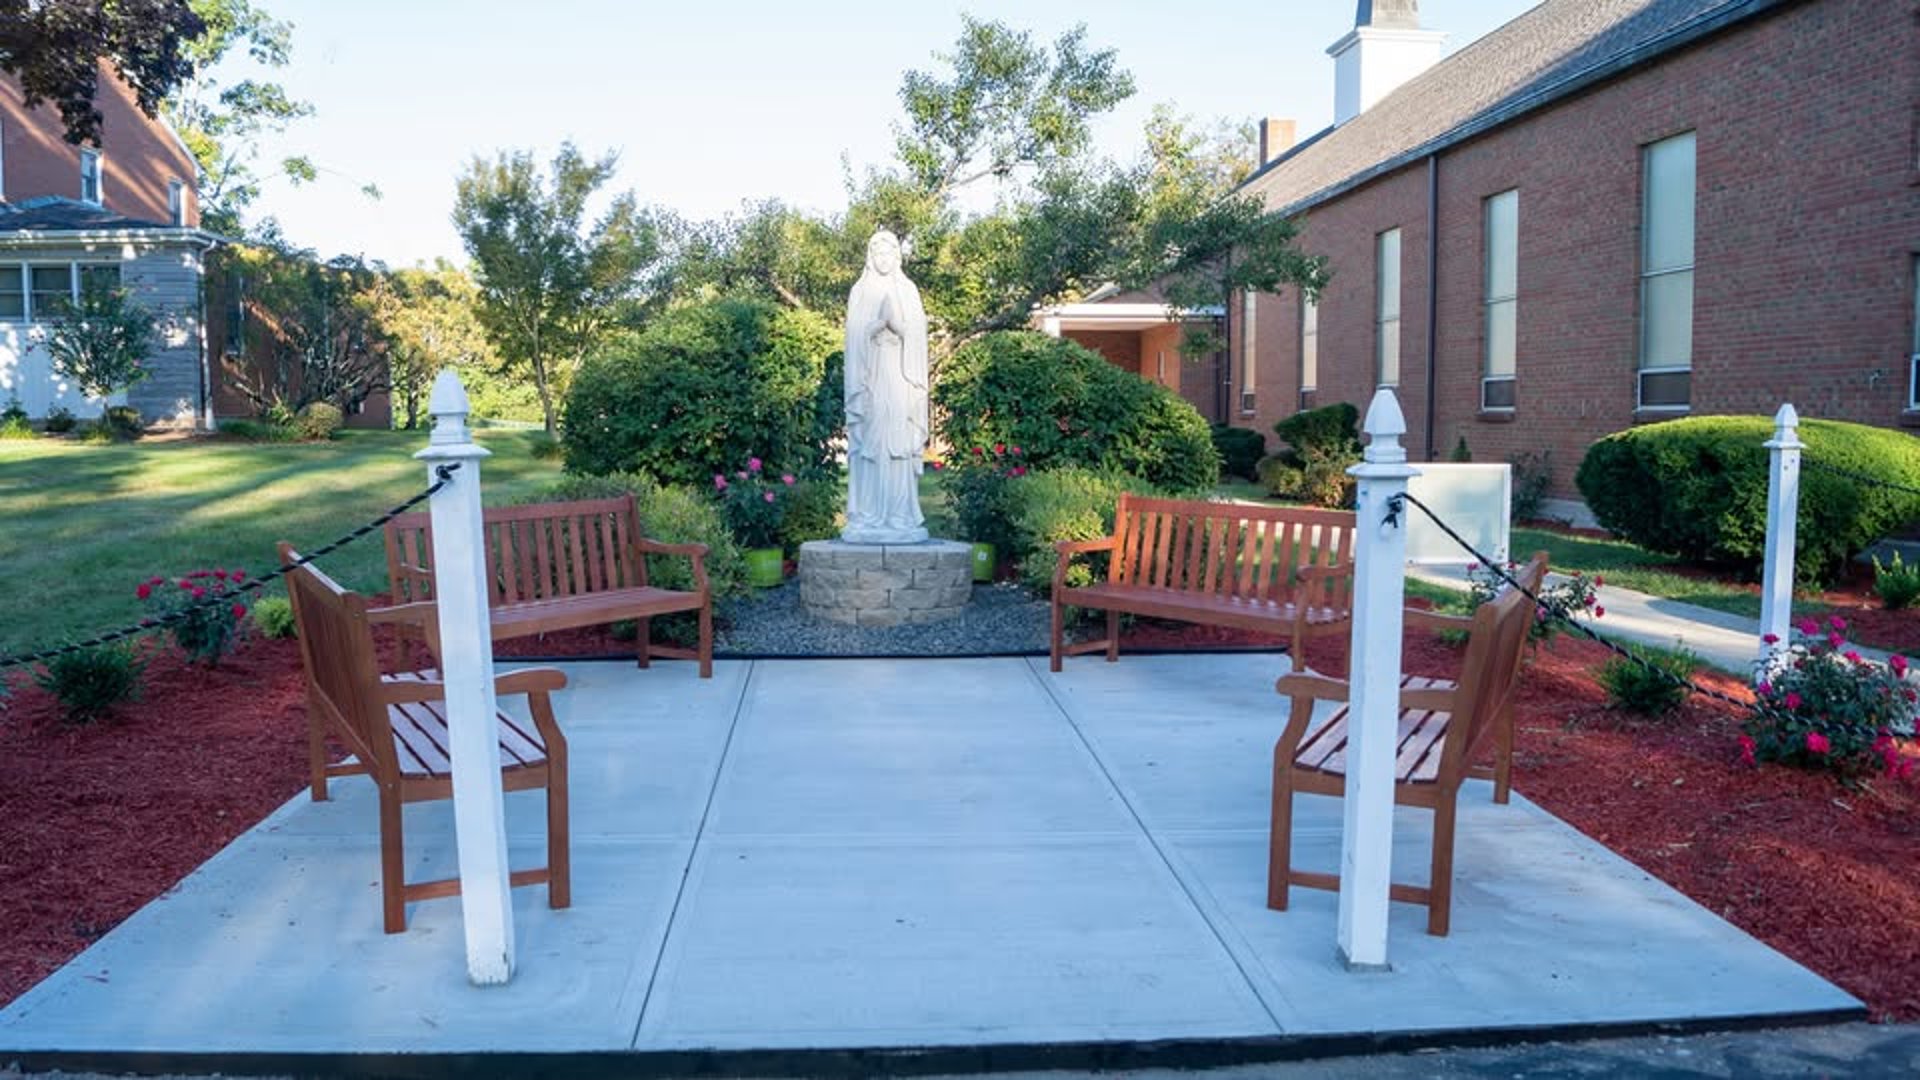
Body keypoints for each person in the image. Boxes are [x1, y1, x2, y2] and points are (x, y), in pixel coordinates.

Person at [842, 229, 930, 543]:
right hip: (871, 377)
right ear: (870, 256)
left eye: (889, 253)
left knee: (899, 443)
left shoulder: (907, 289)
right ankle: (867, 514)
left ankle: (900, 515)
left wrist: (897, 327)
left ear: (897, 256)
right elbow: (854, 337)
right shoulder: (860, 291)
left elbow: (918, 335)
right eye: (877, 253)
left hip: (900, 375)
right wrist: (875, 326)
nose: (883, 259)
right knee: (871, 444)